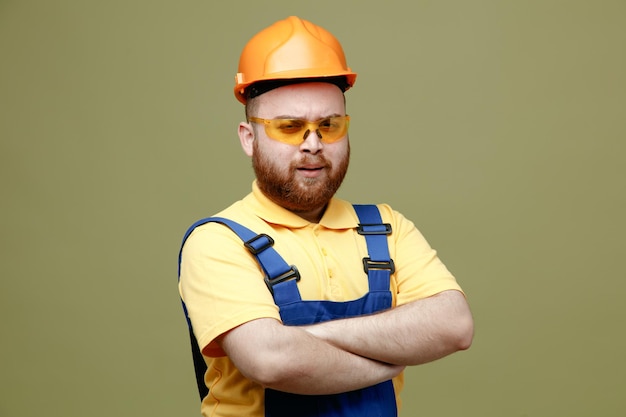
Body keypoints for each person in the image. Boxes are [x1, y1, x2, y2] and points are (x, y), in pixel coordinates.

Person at [178, 15, 474, 417]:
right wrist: (389, 353)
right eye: (289, 126)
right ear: (250, 138)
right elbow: (269, 360)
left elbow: (454, 326)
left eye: (329, 125)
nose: (313, 144)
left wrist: (306, 339)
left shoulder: (386, 228)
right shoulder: (219, 241)